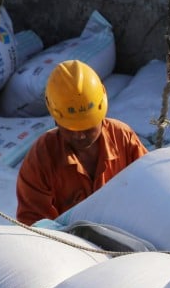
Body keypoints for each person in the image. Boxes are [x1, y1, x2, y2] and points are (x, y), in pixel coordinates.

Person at [16, 59, 148, 225]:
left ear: (101, 115)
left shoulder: (123, 139)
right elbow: (33, 224)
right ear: (56, 120)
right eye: (70, 129)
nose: (79, 136)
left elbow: (148, 189)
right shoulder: (42, 158)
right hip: (67, 247)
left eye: (87, 128)